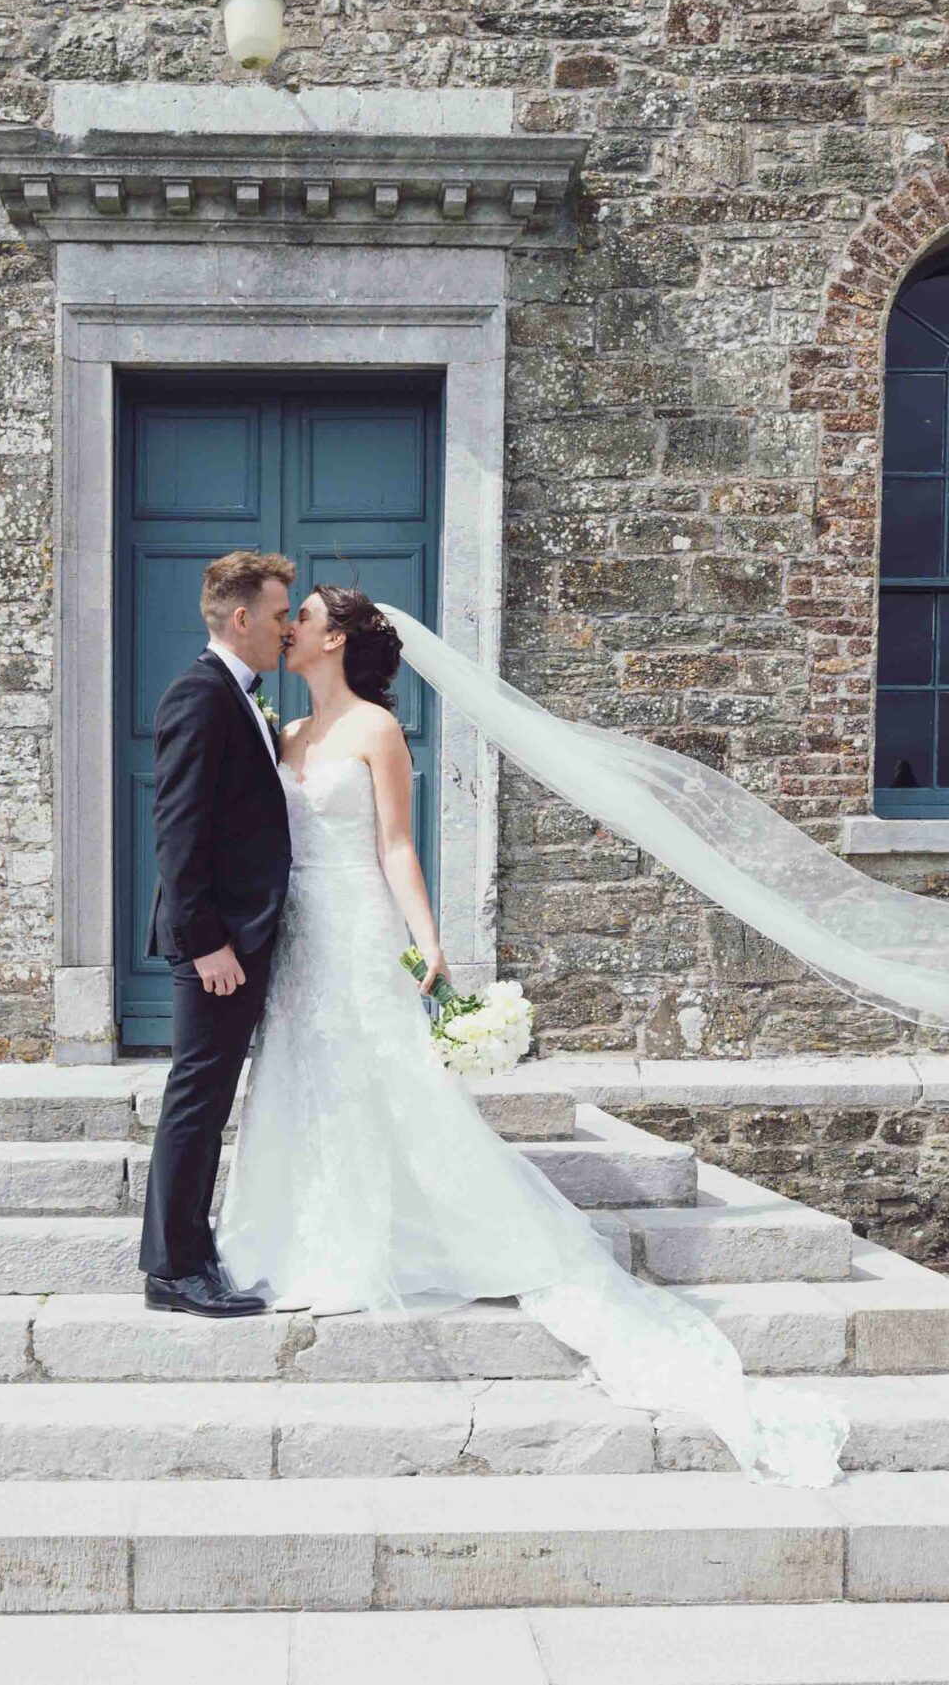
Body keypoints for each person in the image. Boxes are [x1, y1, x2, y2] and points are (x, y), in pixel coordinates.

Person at [215, 585, 850, 1481]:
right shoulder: (286, 734)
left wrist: (429, 939)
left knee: (374, 1076)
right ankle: (300, 1238)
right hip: (300, 933)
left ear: (341, 639)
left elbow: (396, 844)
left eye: (308, 614)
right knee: (305, 1079)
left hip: (358, 925)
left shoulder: (375, 733)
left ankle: (371, 1245)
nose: (293, 625)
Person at [135, 550, 295, 1319]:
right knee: (196, 1097)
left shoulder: (242, 698)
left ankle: (190, 1256)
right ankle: (173, 1269)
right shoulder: (198, 697)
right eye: (276, 616)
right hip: (216, 942)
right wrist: (203, 942)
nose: (286, 629)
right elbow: (177, 832)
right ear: (240, 618)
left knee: (208, 1092)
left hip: (239, 934)